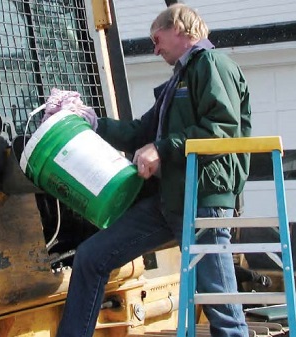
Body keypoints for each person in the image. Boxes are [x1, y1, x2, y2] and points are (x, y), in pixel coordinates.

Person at [44, 3, 252, 337]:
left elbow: (222, 129)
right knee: (91, 257)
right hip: (170, 200)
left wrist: (163, 148)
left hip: (201, 200)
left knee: (223, 311)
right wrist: (91, 122)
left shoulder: (211, 65)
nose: (154, 48)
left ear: (181, 29)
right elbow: (140, 131)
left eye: (157, 39)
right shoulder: (178, 80)